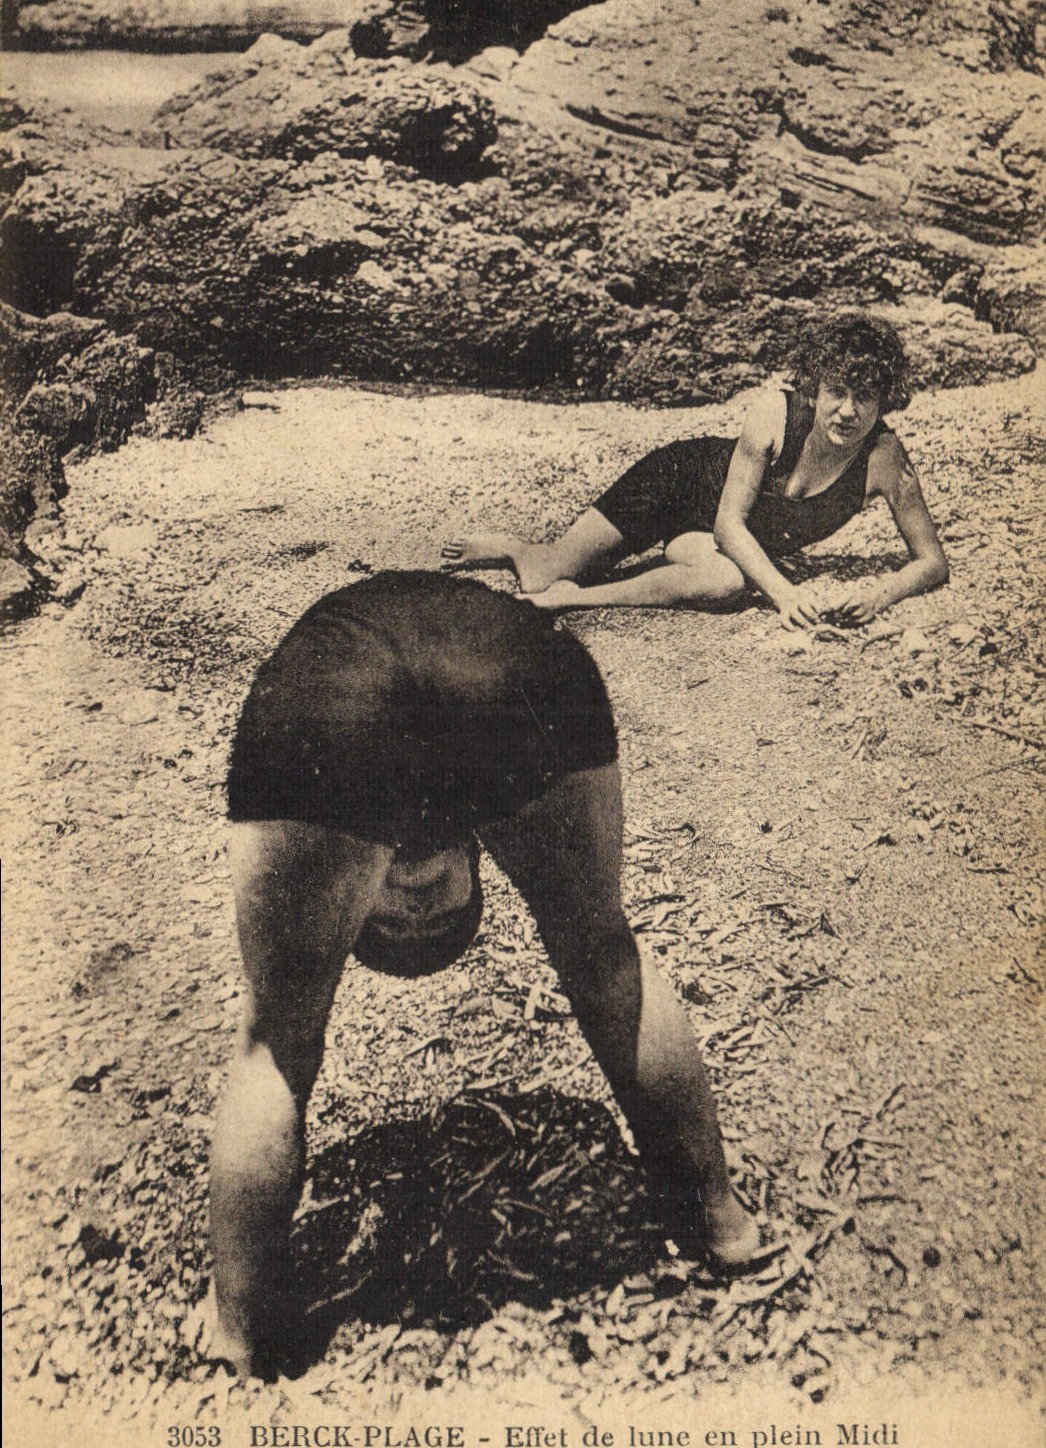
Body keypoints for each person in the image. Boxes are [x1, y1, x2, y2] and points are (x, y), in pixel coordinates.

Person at [207, 570, 760, 1378]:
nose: (412, 898)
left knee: (278, 1040)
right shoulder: (469, 816)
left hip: (345, 699)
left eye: (395, 922)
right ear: (482, 850)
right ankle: (723, 1225)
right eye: (427, 918)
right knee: (603, 951)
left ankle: (237, 1333)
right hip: (517, 673)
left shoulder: (318, 716)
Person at [441, 312, 948, 627]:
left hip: (714, 535)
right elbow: (730, 522)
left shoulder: (883, 458)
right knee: (542, 571)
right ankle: (520, 550)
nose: (848, 412)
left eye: (865, 398)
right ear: (815, 388)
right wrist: (786, 595)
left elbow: (931, 561)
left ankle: (573, 601)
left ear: (886, 402)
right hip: (676, 484)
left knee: (725, 582)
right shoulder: (773, 412)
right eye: (837, 391)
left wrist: (881, 596)